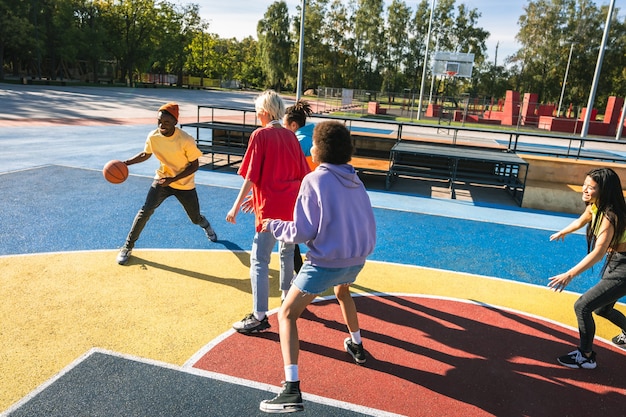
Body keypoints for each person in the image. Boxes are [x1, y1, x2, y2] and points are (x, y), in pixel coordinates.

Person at [259, 121, 376, 413]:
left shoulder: (314, 180)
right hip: (356, 261)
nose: (309, 146)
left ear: (320, 149)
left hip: (325, 263)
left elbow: (302, 232)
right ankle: (357, 344)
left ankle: (291, 390)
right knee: (342, 293)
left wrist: (273, 225)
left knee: (286, 314)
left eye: (312, 142)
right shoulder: (356, 180)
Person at [226, 90, 310, 334]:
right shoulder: (291, 137)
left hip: (270, 210)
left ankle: (259, 315)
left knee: (260, 261)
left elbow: (252, 175)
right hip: (291, 206)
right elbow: (300, 175)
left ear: (263, 111)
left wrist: (236, 205)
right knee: (286, 252)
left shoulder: (260, 135)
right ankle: (286, 298)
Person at [116, 102, 217, 265]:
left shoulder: (185, 140)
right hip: (162, 180)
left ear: (175, 123)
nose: (162, 125)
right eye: (160, 121)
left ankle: (205, 224)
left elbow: (195, 165)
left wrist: (173, 180)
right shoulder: (153, 136)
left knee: (194, 218)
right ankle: (127, 247)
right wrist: (125, 163)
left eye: (167, 122)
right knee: (145, 211)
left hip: (184, 185)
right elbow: (145, 154)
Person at [548, 167, 626, 369]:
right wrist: (563, 231)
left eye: (590, 187)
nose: (584, 189)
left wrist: (569, 274)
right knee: (602, 308)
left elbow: (598, 253)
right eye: (585, 185)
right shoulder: (595, 206)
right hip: (617, 260)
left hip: (624, 267)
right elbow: (581, 221)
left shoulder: (610, 216)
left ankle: (586, 356)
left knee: (582, 306)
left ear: (604, 190)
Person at [283, 100, 315, 274]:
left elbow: (290, 171)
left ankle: (299, 271)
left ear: (293, 125)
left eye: (284, 125)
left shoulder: (297, 143)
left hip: (301, 195)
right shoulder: (312, 138)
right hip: (316, 194)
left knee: (290, 236)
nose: (283, 128)